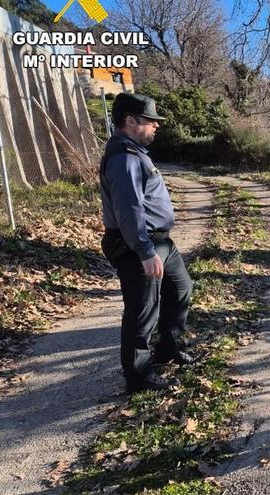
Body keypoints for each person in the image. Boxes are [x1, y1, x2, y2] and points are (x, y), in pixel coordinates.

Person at [99, 92, 194, 393]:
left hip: (160, 243)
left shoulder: (134, 152)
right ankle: (137, 376)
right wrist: (144, 251)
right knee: (142, 311)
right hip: (139, 246)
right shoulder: (123, 158)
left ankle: (169, 347)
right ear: (131, 121)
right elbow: (129, 209)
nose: (156, 126)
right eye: (151, 121)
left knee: (181, 289)